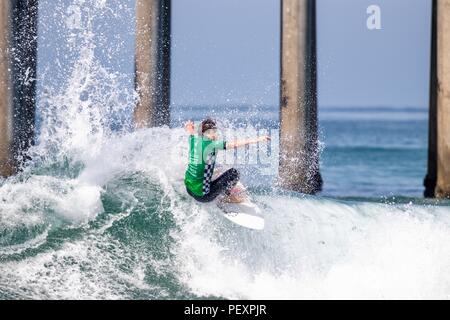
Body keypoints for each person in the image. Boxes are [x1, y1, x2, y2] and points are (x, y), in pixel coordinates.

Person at [184, 118, 270, 203]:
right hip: (203, 196)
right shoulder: (211, 145)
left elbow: (190, 131)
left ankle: (206, 185)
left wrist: (189, 127)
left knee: (216, 169)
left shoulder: (193, 140)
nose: (215, 135)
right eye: (214, 132)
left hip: (189, 189)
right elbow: (234, 144)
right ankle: (226, 198)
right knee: (234, 173)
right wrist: (257, 139)